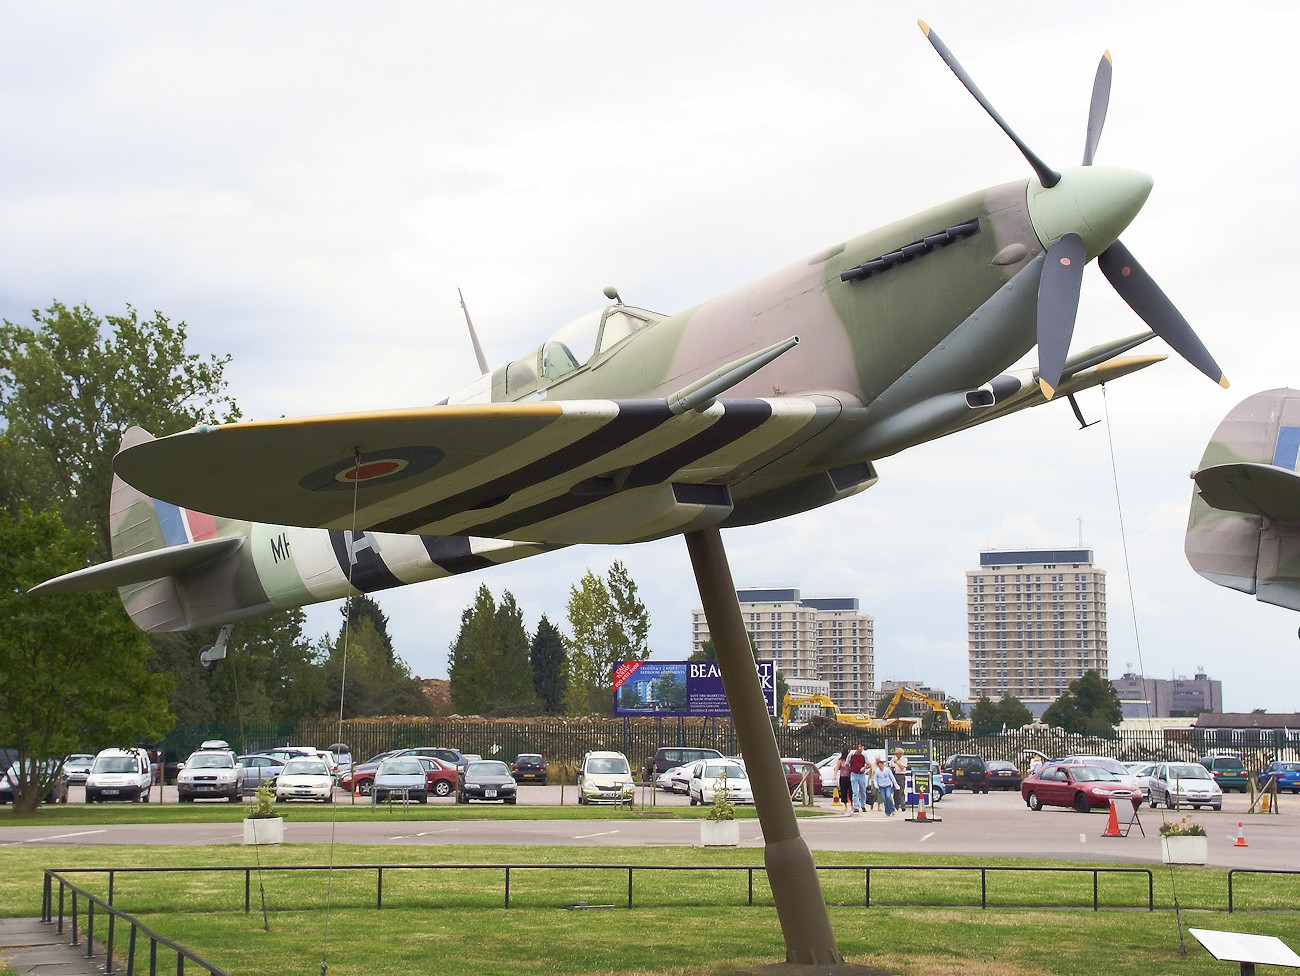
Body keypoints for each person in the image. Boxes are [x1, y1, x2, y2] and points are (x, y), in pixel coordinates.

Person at [847, 745, 869, 813]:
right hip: (854, 774)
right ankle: (856, 806)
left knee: (862, 790)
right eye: (860, 750)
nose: (861, 751)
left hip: (861, 775)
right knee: (855, 791)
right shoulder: (851, 755)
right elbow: (847, 764)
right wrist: (850, 772)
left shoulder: (864, 756)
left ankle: (863, 805)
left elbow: (869, 764)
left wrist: (864, 768)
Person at [834, 748, 851, 815]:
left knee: (850, 791)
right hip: (843, 777)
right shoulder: (840, 760)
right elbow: (837, 768)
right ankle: (845, 805)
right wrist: (835, 775)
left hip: (849, 777)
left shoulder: (849, 760)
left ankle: (852, 805)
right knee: (843, 791)